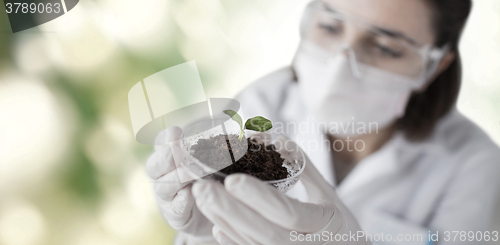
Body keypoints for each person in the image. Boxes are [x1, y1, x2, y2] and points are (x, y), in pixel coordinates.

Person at [146, 0, 500, 244]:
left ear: (434, 67)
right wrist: (205, 234)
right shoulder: (263, 104)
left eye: (386, 48)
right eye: (331, 27)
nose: (339, 66)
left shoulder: (473, 164)